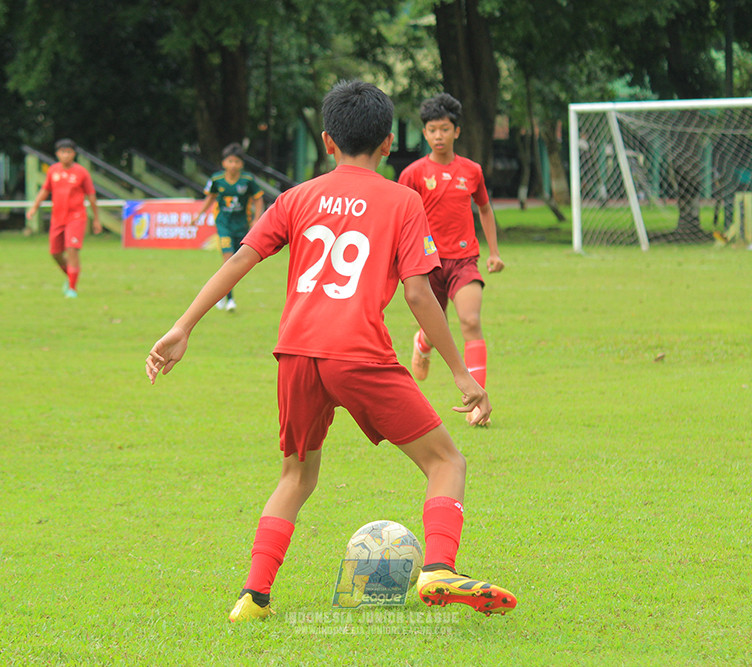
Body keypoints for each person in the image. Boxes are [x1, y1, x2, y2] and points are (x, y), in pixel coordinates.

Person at [146, 80, 516, 623]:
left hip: (295, 353)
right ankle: (438, 568)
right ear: (390, 143)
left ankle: (253, 597)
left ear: (326, 140)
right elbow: (417, 292)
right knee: (446, 460)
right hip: (359, 352)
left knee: (295, 476)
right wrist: (460, 371)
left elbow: (239, 261)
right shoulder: (403, 200)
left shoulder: (296, 197)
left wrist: (182, 327)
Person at [398, 93, 503, 426]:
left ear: (456, 132)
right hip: (427, 263)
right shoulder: (413, 173)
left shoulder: (471, 171)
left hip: (464, 260)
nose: (438, 136)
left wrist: (494, 252)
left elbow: (484, 208)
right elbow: (398, 215)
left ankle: (477, 405)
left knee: (470, 322)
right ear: (425, 133)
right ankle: (423, 342)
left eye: (445, 129)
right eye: (432, 130)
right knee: (435, 327)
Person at [26, 139, 101, 298]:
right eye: (62, 152)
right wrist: (34, 207)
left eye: (68, 152)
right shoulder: (53, 171)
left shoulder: (81, 173)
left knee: (72, 250)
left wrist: (96, 219)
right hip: (58, 218)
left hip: (76, 217)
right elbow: (45, 191)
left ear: (74, 154)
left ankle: (72, 288)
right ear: (57, 154)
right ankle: (70, 277)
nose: (65, 155)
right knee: (55, 253)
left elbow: (91, 196)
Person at [194, 143, 265, 312]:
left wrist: (257, 219)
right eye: (230, 161)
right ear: (224, 163)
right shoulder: (216, 180)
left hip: (242, 227)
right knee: (228, 260)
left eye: (237, 162)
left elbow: (258, 199)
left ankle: (221, 296)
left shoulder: (247, 181)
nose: (233, 165)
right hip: (224, 225)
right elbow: (210, 198)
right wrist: (199, 215)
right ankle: (230, 300)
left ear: (241, 164)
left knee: (236, 262)